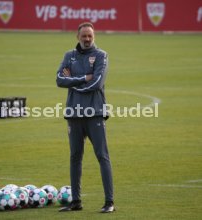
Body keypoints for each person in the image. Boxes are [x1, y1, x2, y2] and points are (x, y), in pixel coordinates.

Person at [56, 22, 115, 213]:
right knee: (75, 157)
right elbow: (59, 80)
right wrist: (82, 78)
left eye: (90, 36)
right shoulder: (69, 56)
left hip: (94, 113)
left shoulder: (101, 55)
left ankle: (109, 203)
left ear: (94, 36)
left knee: (102, 156)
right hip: (73, 114)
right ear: (77, 37)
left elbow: (97, 82)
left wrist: (72, 82)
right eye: (84, 36)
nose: (87, 39)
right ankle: (76, 202)